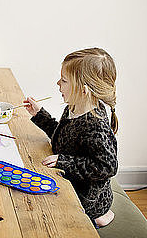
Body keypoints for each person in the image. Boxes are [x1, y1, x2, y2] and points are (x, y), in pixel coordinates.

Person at [24, 48, 118, 228]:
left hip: (87, 199)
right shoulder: (74, 107)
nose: (58, 83)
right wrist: (39, 114)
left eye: (64, 80)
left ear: (83, 90)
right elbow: (62, 139)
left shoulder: (95, 126)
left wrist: (65, 162)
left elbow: (107, 167)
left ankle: (101, 214)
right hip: (70, 180)